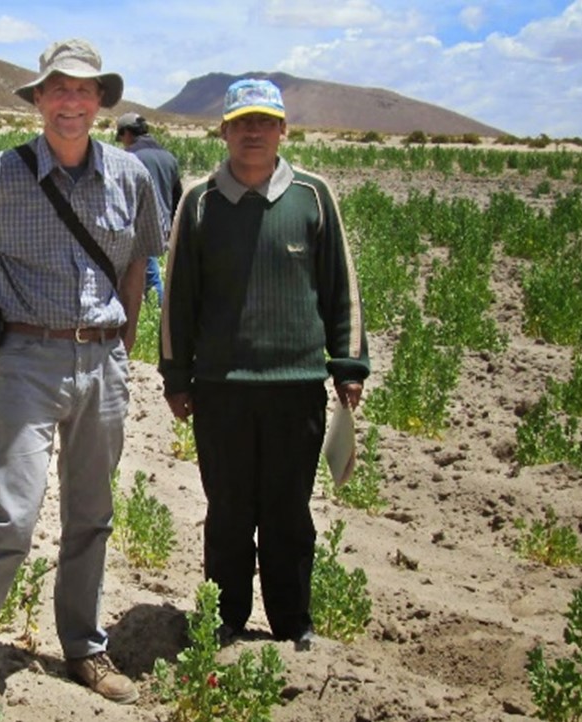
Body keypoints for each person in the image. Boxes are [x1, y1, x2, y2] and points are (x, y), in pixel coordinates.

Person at [0, 38, 164, 707]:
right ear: (39, 99)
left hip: (102, 360)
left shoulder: (131, 177)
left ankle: (84, 647)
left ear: (101, 102)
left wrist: (126, 337)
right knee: (12, 517)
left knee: (93, 514)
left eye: (84, 91)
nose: (71, 103)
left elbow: (140, 258)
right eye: (59, 90)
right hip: (29, 358)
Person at [159, 79, 370, 650]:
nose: (252, 132)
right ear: (223, 130)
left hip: (296, 386)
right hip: (222, 387)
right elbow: (178, 295)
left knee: (288, 511)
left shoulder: (313, 196)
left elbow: (339, 286)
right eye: (241, 122)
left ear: (283, 130)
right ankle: (225, 618)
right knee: (228, 510)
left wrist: (348, 367)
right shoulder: (198, 201)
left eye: (264, 121)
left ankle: (292, 622)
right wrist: (176, 377)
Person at [115, 112, 182, 304]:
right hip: (164, 227)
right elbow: (177, 195)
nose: (122, 142)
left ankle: (160, 315)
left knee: (149, 279)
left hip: (140, 228)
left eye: (122, 137)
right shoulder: (168, 157)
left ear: (127, 133)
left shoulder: (128, 157)